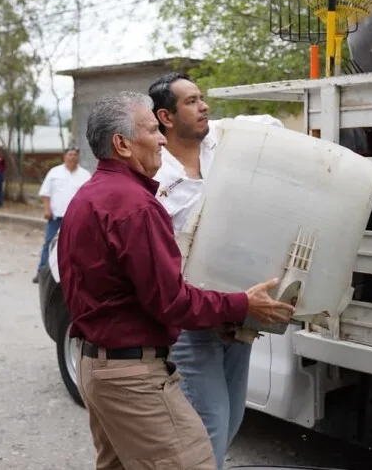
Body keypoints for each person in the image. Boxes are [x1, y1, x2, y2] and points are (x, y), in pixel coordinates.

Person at [57, 91, 295, 470]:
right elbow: (171, 301)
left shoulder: (88, 196)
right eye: (152, 130)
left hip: (98, 366)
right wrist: (242, 303)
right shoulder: (136, 206)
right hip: (131, 376)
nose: (162, 140)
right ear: (122, 144)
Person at [149, 72, 284, 470]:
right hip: (194, 321)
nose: (204, 106)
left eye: (201, 97)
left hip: (239, 312)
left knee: (232, 422)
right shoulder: (157, 176)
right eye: (191, 102)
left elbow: (271, 126)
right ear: (166, 117)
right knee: (208, 428)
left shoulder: (221, 140)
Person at [33, 147, 90, 284]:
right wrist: (47, 209)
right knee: (49, 244)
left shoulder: (85, 175)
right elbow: (45, 193)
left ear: (78, 157)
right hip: (56, 217)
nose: (72, 157)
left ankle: (74, 276)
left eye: (75, 154)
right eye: (70, 154)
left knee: (77, 246)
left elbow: (90, 197)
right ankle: (42, 272)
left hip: (76, 218)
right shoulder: (55, 172)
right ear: (64, 157)